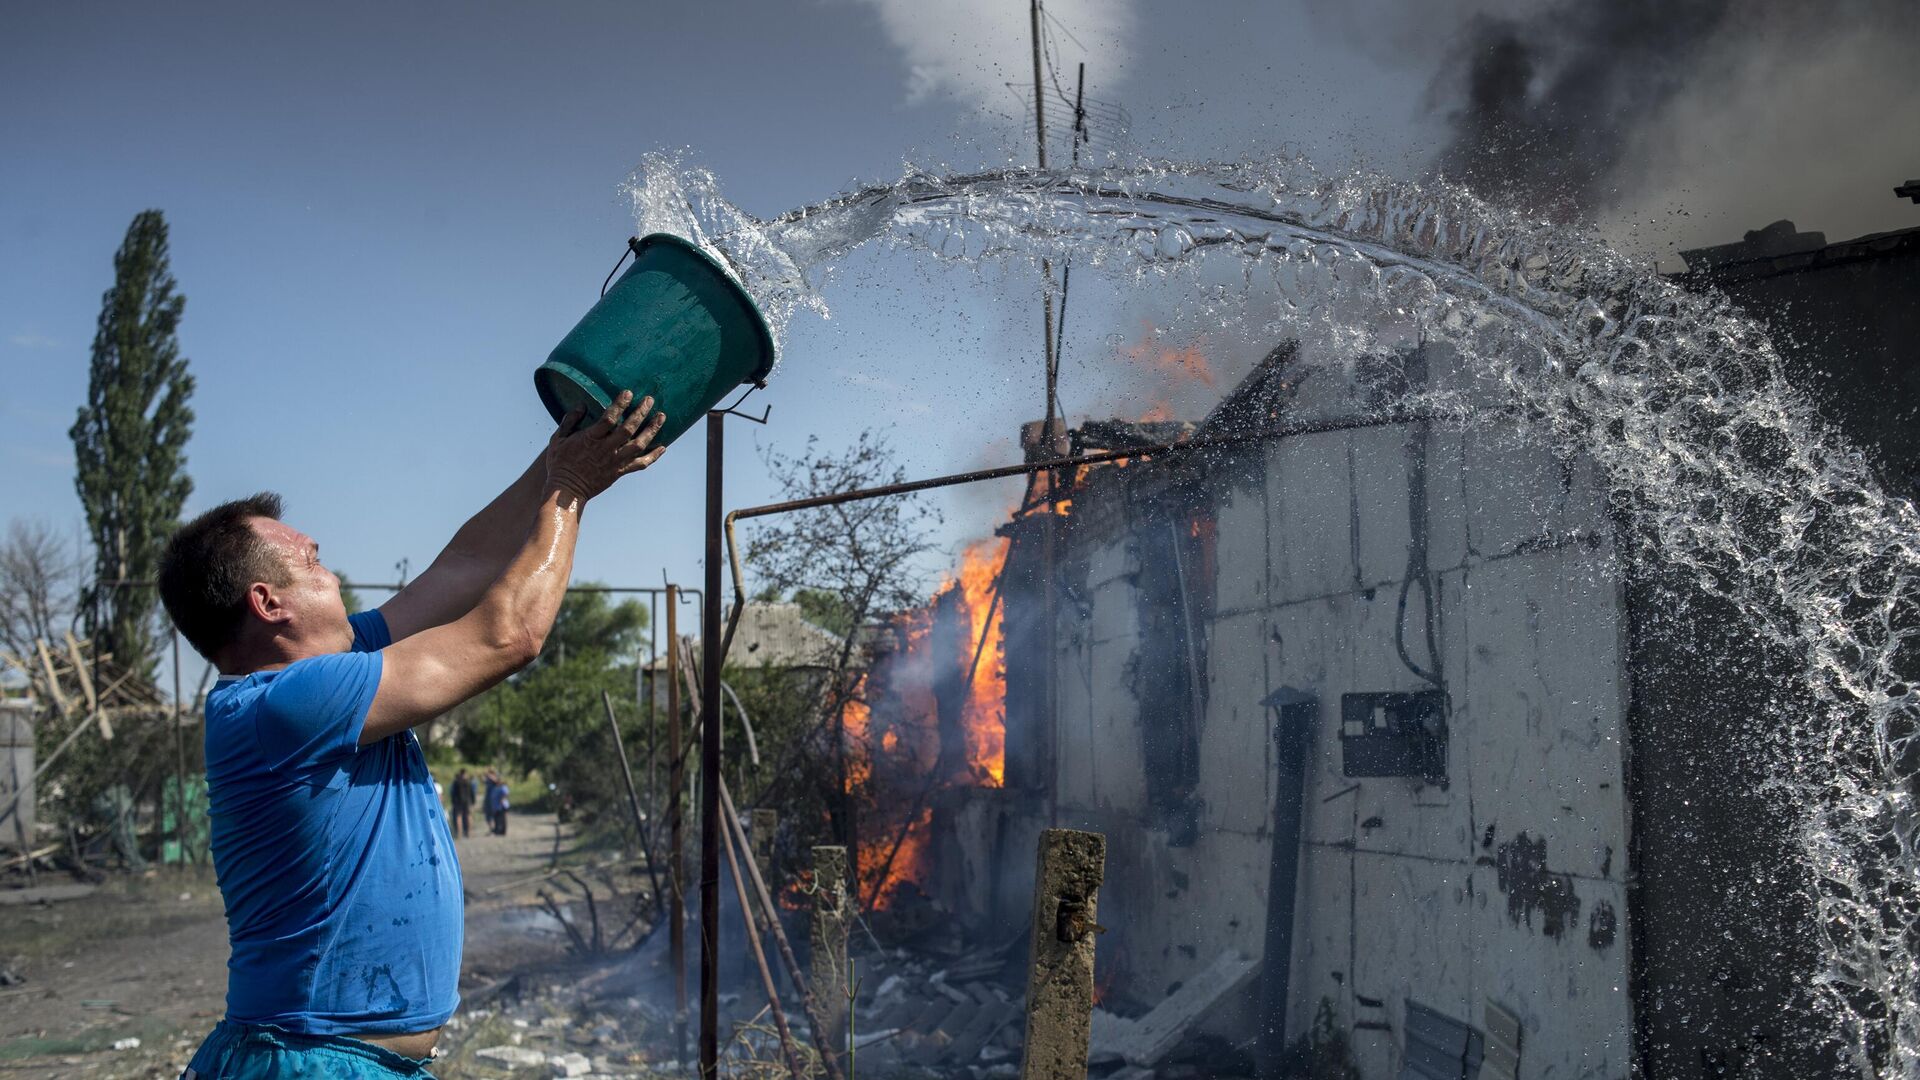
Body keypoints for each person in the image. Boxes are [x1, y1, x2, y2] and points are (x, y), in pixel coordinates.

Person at [157, 392, 666, 1077]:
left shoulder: (325, 674)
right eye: (312, 562)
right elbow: (508, 634)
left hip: (341, 1058)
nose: (330, 572)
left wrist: (555, 462)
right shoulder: (284, 703)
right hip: (312, 1062)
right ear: (268, 603)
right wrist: (571, 492)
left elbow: (460, 568)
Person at [448, 768, 474, 839]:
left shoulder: (456, 782)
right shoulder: (469, 782)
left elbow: (453, 793)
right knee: (468, 816)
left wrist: (453, 801)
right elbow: (472, 793)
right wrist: (473, 801)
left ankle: (459, 833)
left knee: (459, 817)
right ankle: (469, 832)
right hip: (467, 801)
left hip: (458, 802)